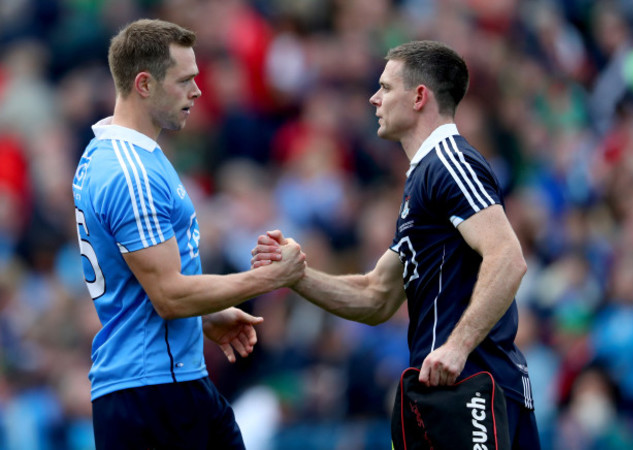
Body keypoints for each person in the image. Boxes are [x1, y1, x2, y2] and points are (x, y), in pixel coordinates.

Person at [252, 40, 541, 449]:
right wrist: (296, 276)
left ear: (419, 96)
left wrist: (456, 348)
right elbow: (376, 296)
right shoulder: (422, 179)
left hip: (474, 385)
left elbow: (508, 258)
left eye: (386, 87)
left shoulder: (448, 162)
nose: (374, 98)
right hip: (448, 390)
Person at [72, 19, 305, 449]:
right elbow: (169, 294)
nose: (198, 91)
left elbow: (146, 289)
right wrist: (272, 277)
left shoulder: (117, 155)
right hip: (154, 393)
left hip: (169, 381)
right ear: (144, 84)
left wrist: (204, 316)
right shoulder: (129, 171)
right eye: (185, 80)